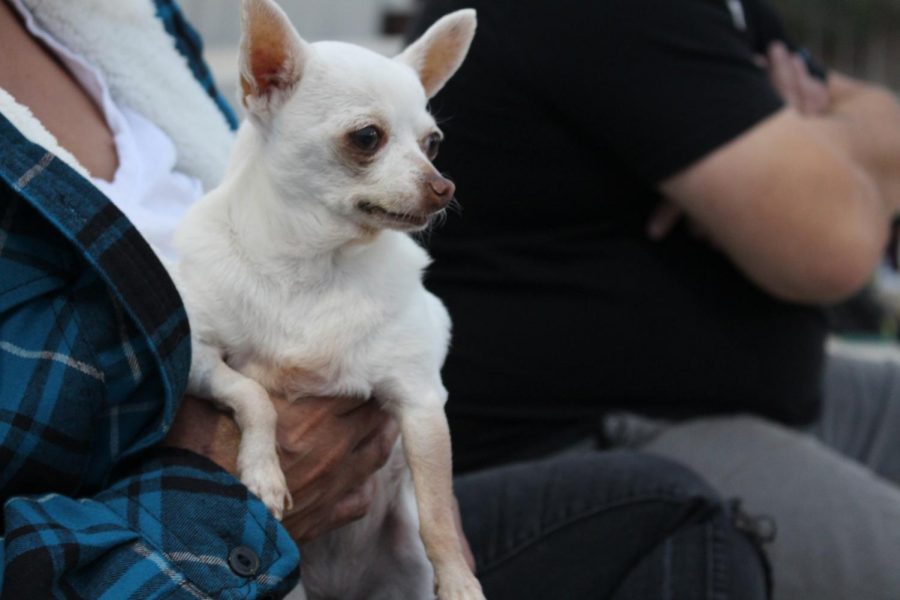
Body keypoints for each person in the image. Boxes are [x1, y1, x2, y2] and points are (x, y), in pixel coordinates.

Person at [0, 0, 770, 598]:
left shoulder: (114, 18)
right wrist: (213, 501)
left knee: (680, 514)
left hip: (366, 520)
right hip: (161, 553)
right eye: (367, 140)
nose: (433, 179)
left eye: (427, 145)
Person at [407, 0, 900, 598]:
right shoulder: (610, 14)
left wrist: (813, 148)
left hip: (758, 390)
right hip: (589, 443)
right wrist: (809, 161)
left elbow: (888, 124)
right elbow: (835, 246)